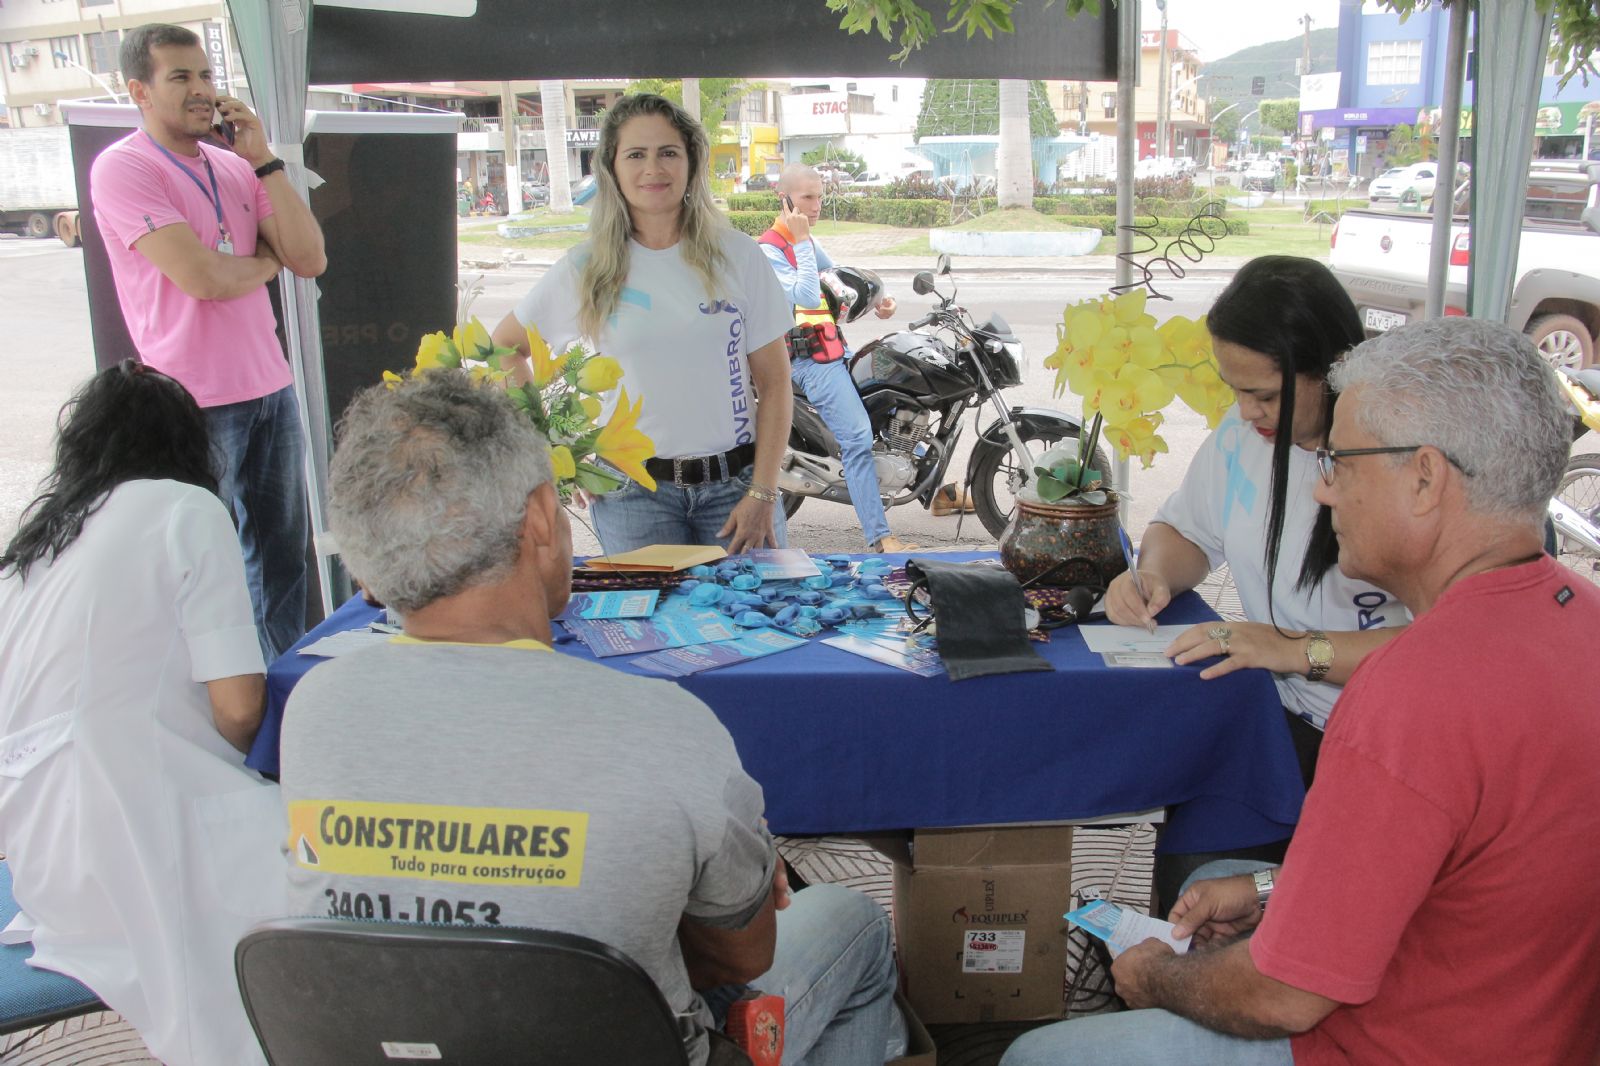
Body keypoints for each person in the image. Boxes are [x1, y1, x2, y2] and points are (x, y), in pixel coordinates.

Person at [1000, 317, 1600, 1066]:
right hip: (1533, 1016)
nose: (1322, 488)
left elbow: (1282, 995)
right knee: (1224, 879)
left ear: (1424, 477)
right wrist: (1266, 885)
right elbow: (1468, 864)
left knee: (1035, 1056)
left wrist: (1160, 975)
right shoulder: (1579, 620)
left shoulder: (1412, 690)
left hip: (1398, 1041)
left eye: (1341, 462)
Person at [280, 372, 903, 1066]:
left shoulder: (314, 709)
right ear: (542, 519)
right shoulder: (663, 725)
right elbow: (743, 955)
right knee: (858, 928)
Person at [0, 362, 285, 1066]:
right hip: (136, 833)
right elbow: (240, 709)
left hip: (42, 858)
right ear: (186, 446)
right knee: (348, 853)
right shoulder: (185, 511)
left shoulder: (32, 550)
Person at [1104, 257, 1407, 789]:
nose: (1246, 413)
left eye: (1265, 395)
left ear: (1334, 369)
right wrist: (1152, 575)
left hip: (1385, 742)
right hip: (1277, 713)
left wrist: (1290, 647)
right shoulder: (1244, 434)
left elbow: (1456, 645)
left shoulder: (1398, 463)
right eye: (1235, 391)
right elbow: (1188, 528)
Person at [91, 23, 327, 662]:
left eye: (205, 76)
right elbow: (201, 276)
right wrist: (262, 265)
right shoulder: (124, 167)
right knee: (204, 565)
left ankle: (283, 689)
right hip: (192, 399)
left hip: (271, 388)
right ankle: (219, 703)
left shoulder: (233, 165)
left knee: (283, 558)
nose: (201, 91)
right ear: (139, 90)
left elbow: (308, 257)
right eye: (180, 78)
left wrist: (263, 159)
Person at [491, 93, 793, 555]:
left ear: (691, 163)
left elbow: (775, 384)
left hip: (737, 492)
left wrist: (763, 493)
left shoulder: (739, 256)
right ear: (612, 170)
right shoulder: (585, 267)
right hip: (633, 498)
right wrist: (556, 451)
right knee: (650, 629)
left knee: (758, 624)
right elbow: (505, 348)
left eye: (668, 152)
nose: (654, 168)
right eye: (636, 154)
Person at [761, 163, 913, 553]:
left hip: (832, 348)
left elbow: (838, 277)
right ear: (785, 199)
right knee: (858, 438)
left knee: (897, 400)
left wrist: (881, 301)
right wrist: (799, 241)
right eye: (807, 198)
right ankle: (878, 537)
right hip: (807, 362)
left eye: (819, 198)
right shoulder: (769, 250)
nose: (815, 206)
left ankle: (936, 490)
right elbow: (808, 295)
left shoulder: (807, 243)